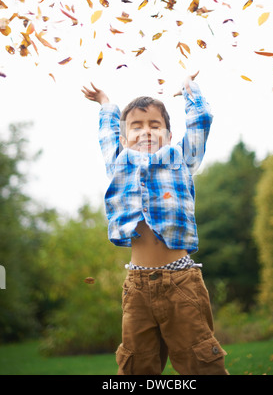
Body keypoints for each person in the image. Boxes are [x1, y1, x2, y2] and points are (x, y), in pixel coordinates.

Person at [81, 74, 228, 375]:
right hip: (136, 287)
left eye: (155, 125)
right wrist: (106, 104)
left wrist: (191, 92)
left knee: (201, 362)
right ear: (124, 138)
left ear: (169, 135)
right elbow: (107, 134)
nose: (146, 131)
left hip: (181, 282)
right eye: (137, 126)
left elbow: (200, 122)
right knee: (135, 365)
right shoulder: (118, 161)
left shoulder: (181, 159)